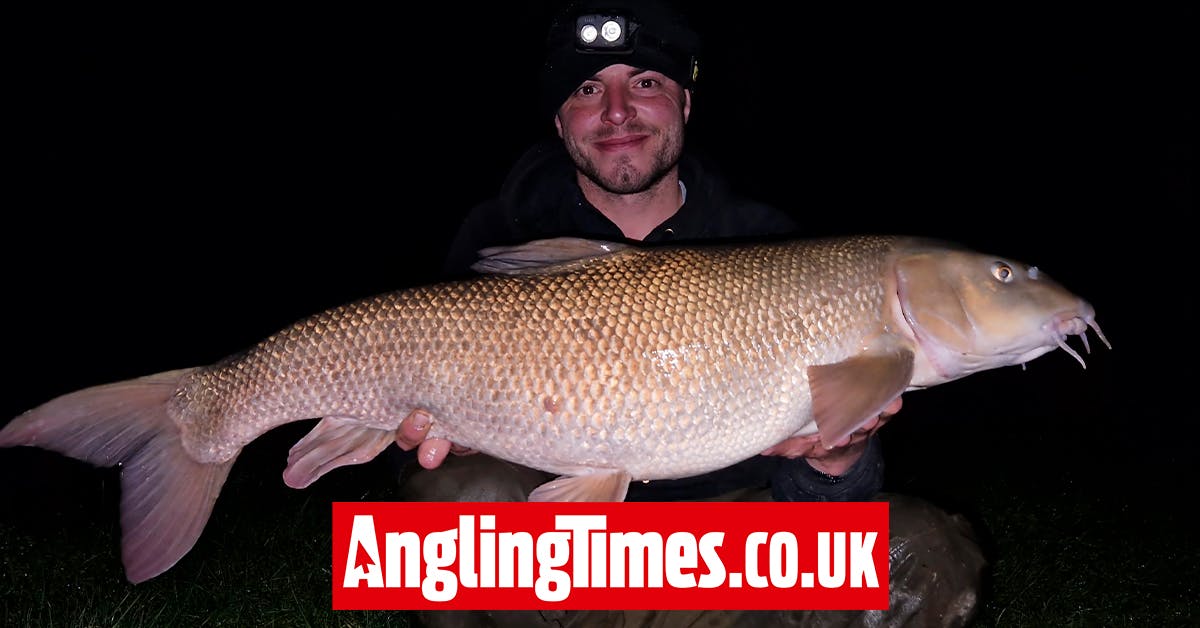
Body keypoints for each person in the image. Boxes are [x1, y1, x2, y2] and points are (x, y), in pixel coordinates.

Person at [390, 1, 985, 625]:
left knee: (924, 552)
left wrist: (834, 462)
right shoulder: (496, 236)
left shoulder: (768, 243)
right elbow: (414, 442)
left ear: (687, 105)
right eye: (588, 89)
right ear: (562, 122)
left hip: (729, 557)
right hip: (556, 561)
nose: (617, 111)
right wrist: (443, 442)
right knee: (445, 514)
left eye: (645, 83)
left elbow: (827, 510)